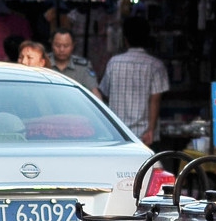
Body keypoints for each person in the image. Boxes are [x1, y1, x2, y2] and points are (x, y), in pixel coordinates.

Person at [99, 16, 169, 146]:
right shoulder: (156, 65)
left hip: (117, 133)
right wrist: (151, 130)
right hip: (144, 135)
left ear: (125, 39)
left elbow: (105, 93)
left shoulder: (113, 63)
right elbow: (155, 100)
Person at [49, 29, 99, 96]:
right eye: (57, 45)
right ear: (51, 44)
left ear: (73, 45)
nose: (61, 49)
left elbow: (94, 92)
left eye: (66, 46)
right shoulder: (43, 62)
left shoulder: (82, 66)